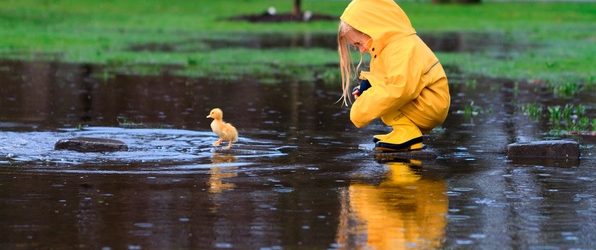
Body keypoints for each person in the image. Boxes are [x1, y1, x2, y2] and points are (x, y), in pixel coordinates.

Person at [337, 0, 450, 152]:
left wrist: (361, 110)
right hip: (424, 103)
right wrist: (367, 86)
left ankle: (408, 134)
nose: (362, 50)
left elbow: (400, 89)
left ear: (372, 29)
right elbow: (385, 77)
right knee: (381, 96)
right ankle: (404, 131)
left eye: (358, 43)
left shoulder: (402, 47)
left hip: (430, 106)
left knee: (385, 98)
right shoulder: (388, 47)